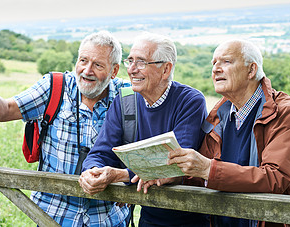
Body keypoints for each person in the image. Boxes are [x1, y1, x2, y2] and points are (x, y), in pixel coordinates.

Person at [0, 31, 131, 227]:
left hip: (107, 218)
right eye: (83, 61)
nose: (87, 70)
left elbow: (150, 146)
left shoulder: (128, 97)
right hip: (53, 216)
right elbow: (4, 111)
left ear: (114, 71)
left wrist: (126, 178)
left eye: (97, 65)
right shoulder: (54, 87)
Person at [78, 32, 210, 226]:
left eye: (141, 62)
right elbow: (100, 152)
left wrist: (120, 175)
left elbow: (174, 165)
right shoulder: (124, 101)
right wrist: (93, 171)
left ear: (166, 69)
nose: (131, 70)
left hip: (189, 216)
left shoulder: (190, 101)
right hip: (148, 216)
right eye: (129, 61)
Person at [165, 39, 290, 226]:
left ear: (251, 70)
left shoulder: (284, 113)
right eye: (214, 63)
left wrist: (209, 169)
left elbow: (275, 177)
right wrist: (179, 176)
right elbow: (202, 177)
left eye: (226, 62)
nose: (216, 69)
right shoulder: (217, 116)